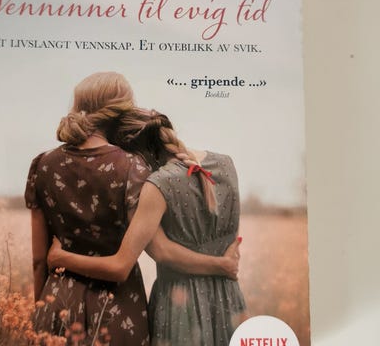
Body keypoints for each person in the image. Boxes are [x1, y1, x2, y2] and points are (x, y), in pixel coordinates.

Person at [26, 73, 241, 345]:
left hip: (57, 303)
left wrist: (41, 312)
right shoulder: (133, 167)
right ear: (121, 114)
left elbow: (38, 260)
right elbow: (154, 251)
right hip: (117, 310)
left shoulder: (42, 164)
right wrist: (221, 264)